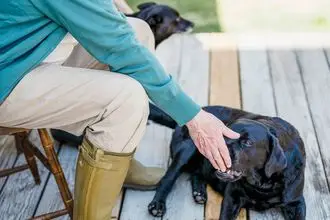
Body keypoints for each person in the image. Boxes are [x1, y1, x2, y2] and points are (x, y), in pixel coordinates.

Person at [0, 0, 240, 219]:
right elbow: (118, 46)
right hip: (9, 75)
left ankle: (118, 163)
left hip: (32, 47)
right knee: (125, 97)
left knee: (139, 30)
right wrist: (193, 116)